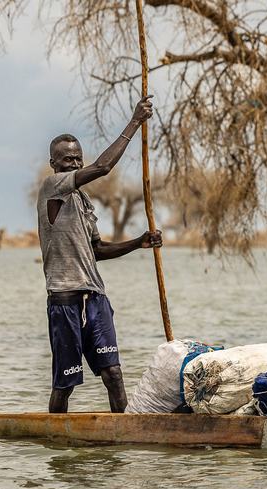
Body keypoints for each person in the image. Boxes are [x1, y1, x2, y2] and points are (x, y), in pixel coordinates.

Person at [36, 95, 161, 413]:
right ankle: (59, 448)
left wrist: (138, 242)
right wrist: (135, 121)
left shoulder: (83, 203)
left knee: (114, 374)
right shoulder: (53, 188)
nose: (75, 164)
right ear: (54, 164)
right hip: (64, 301)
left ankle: (123, 440)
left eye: (78, 159)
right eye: (67, 160)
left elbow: (97, 251)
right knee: (64, 384)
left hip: (95, 299)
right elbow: (103, 167)